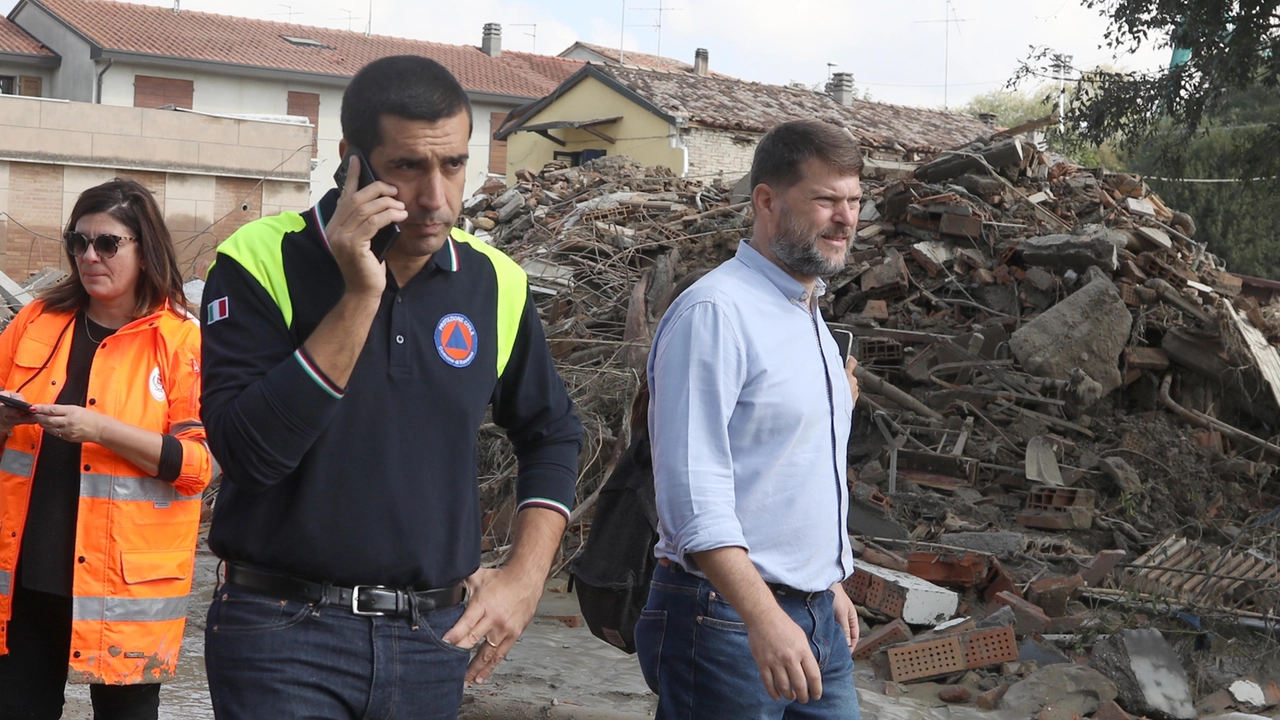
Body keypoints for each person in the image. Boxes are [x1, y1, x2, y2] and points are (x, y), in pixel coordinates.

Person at [199, 55, 583, 720]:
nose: (436, 197)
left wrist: (525, 578)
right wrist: (357, 296)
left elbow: (553, 431)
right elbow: (251, 454)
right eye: (408, 166)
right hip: (282, 632)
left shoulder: (495, 282)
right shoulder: (259, 260)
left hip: (430, 638)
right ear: (352, 160)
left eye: (454, 165)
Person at [637, 118, 865, 719]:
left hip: (815, 616)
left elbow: (786, 468)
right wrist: (764, 614)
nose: (846, 219)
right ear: (766, 200)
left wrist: (825, 581)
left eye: (854, 201)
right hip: (725, 619)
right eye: (825, 200)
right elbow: (692, 494)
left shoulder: (804, 309)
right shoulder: (716, 312)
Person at [0, 178, 212, 719]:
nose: (89, 256)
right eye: (78, 242)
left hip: (124, 593)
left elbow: (196, 467)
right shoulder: (35, 323)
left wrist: (100, 429)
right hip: (26, 579)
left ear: (145, 249)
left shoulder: (181, 340)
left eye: (108, 243)